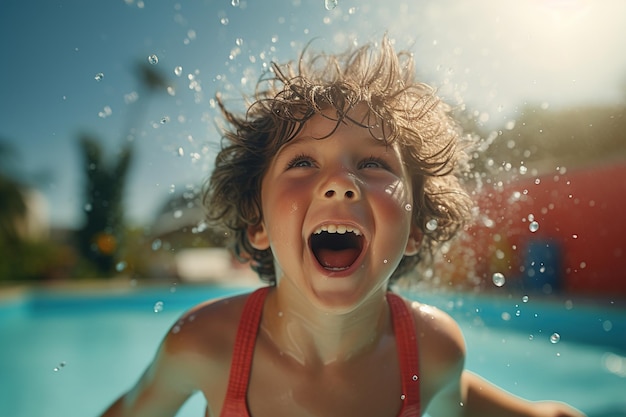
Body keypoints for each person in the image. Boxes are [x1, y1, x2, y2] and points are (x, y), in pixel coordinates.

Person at [100, 37, 586, 417]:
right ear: (258, 223)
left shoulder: (430, 350)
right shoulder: (205, 345)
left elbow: (464, 401)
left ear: (415, 227)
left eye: (375, 163)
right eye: (303, 162)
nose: (339, 183)